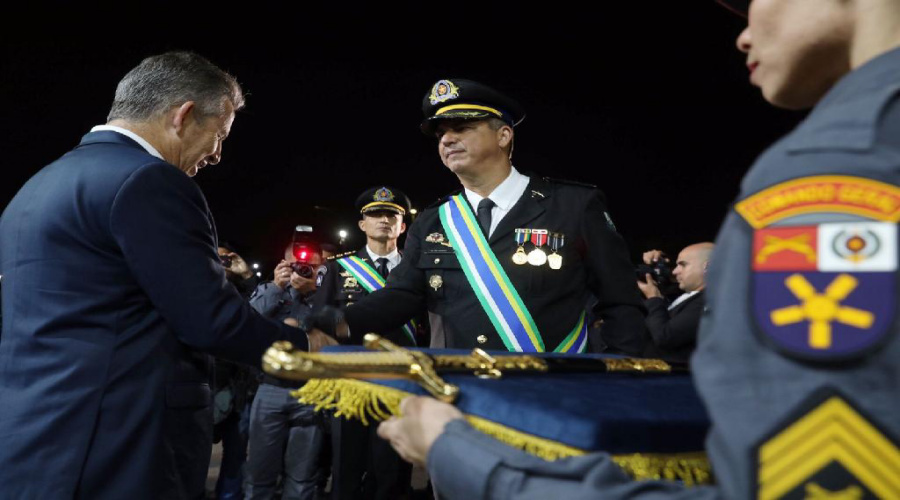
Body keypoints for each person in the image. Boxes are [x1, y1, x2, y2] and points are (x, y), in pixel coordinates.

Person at [377, 0, 900, 497]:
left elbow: (819, 480)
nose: (743, 33)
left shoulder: (838, 166)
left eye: (753, 3)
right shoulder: (434, 220)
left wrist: (465, 460)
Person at [0, 51, 331, 499]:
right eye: (219, 136)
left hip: (36, 439)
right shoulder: (148, 181)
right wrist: (308, 349)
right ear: (184, 115)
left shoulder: (37, 186)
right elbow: (209, 320)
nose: (216, 155)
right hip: (119, 445)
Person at [315, 79, 647, 356]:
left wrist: (624, 380)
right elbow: (403, 295)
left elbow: (620, 301)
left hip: (555, 391)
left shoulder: (574, 205)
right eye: (441, 133)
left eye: (462, 127)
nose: (446, 139)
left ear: (504, 135)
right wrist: (342, 321)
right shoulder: (434, 220)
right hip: (467, 392)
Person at [315, 186, 416, 500]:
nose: (383, 220)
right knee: (347, 470)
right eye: (375, 214)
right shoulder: (338, 268)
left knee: (393, 474)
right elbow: (321, 322)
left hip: (400, 382)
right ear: (362, 224)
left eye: (392, 214)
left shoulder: (418, 271)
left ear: (403, 225)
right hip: (352, 381)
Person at [246, 246, 327, 500]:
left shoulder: (326, 293)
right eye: (296, 265)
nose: (302, 271)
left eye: (310, 267)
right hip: (270, 388)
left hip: (311, 390)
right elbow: (246, 320)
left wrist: (313, 291)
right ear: (284, 264)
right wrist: (275, 286)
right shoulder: (271, 290)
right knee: (259, 472)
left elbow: (337, 326)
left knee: (302, 476)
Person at [637, 243, 714, 363]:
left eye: (682, 265)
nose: (674, 271)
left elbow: (665, 337)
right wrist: (659, 265)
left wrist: (654, 298)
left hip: (672, 378)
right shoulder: (685, 296)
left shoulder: (712, 301)